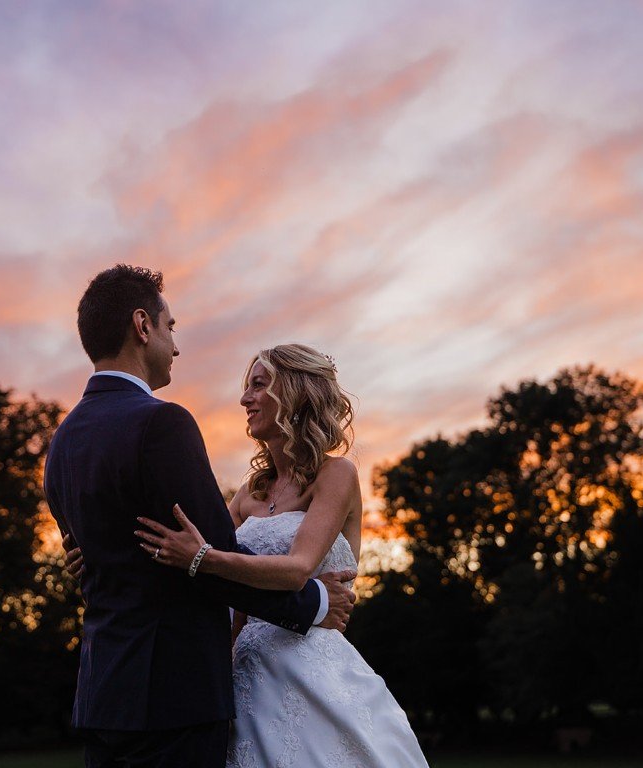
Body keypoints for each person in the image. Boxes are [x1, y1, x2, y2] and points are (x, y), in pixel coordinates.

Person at [43, 265, 357, 768]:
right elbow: (211, 559)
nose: (176, 344)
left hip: (103, 692)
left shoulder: (62, 443)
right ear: (142, 326)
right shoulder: (161, 422)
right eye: (171, 328)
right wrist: (316, 602)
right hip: (173, 695)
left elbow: (94, 558)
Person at [136, 343, 430, 767]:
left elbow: (296, 570)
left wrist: (204, 558)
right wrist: (95, 556)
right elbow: (184, 551)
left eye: (258, 385)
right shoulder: (248, 495)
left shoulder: (336, 474)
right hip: (246, 673)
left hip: (313, 667)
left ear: (293, 393)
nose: (244, 399)